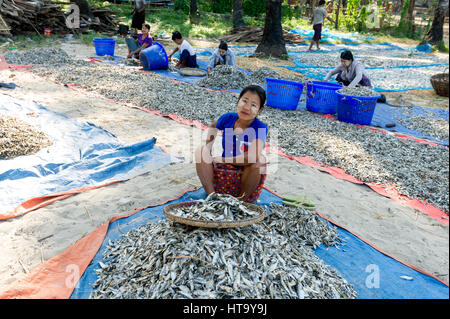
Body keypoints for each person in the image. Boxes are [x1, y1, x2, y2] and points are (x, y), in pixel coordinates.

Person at [195, 85, 268, 203]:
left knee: (260, 160)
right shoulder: (228, 118)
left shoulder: (260, 128)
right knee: (201, 150)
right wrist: (209, 149)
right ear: (238, 101)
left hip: (245, 180)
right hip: (223, 180)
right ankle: (212, 197)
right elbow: (213, 126)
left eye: (253, 105)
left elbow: (251, 157)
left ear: (260, 110)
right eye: (244, 101)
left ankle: (239, 203)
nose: (247, 107)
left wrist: (224, 160)